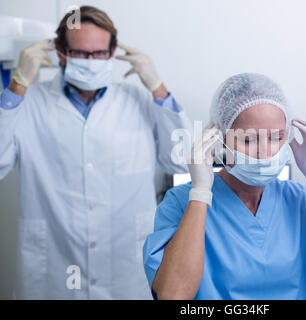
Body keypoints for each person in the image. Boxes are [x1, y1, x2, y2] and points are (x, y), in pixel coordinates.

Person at [0, 6, 192, 299]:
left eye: (99, 53)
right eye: (80, 54)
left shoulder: (139, 100)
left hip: (124, 270)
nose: (90, 61)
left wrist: (158, 87)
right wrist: (16, 86)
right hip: (52, 269)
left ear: (112, 52)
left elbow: (181, 159)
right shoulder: (30, 102)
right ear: (60, 53)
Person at [143, 73, 306, 300]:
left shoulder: (302, 201)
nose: (264, 152)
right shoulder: (182, 203)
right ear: (219, 140)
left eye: (276, 137)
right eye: (249, 139)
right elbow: (173, 295)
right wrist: (200, 192)